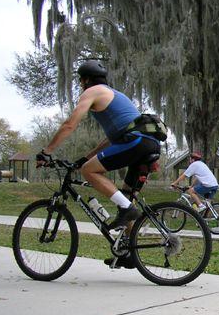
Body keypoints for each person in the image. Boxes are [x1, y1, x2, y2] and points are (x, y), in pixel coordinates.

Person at [36, 60, 162, 265]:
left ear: (86, 80)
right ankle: (130, 253)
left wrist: (46, 151)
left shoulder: (92, 92)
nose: (80, 85)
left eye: (80, 81)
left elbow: (69, 125)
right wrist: (87, 156)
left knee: (89, 172)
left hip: (137, 142)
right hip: (148, 143)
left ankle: (127, 209)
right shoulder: (114, 94)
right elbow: (112, 138)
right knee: (126, 195)